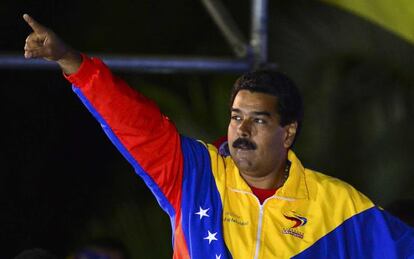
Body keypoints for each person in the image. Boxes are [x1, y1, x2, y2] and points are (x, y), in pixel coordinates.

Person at [22, 14, 414, 258]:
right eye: (235, 117)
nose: (241, 130)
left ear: (288, 132)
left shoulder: (338, 205)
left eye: (258, 120)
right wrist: (72, 62)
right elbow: (134, 123)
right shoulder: (195, 174)